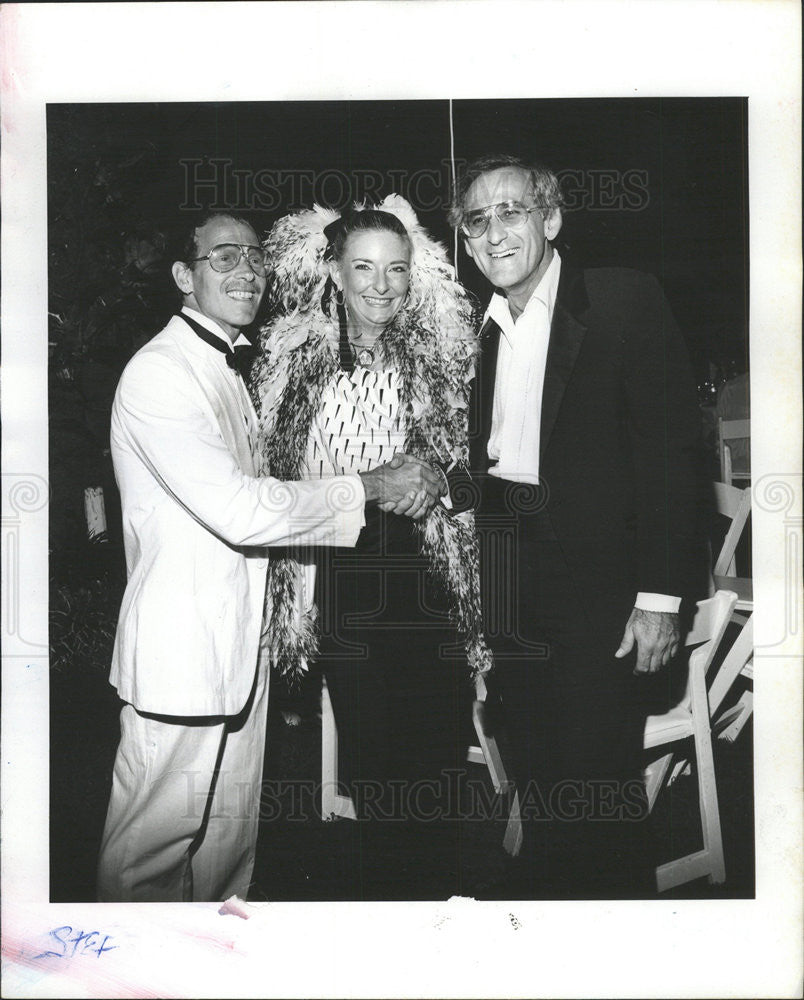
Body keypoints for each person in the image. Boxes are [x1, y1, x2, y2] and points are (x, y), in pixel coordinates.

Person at [97, 209, 442, 903]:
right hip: (187, 651)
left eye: (254, 256)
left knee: (226, 845)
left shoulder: (229, 366)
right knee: (149, 857)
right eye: (223, 257)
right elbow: (241, 507)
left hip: (245, 644)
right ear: (181, 276)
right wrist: (377, 483)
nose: (247, 270)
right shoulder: (162, 374)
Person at [450, 154, 702, 898]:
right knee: (536, 770)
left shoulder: (621, 299)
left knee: (598, 789)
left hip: (603, 592)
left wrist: (662, 594)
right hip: (516, 589)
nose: (495, 233)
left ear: (552, 219)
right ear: (465, 242)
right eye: (478, 220)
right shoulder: (486, 330)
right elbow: (503, 460)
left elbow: (669, 451)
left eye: (513, 211)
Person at [251, 196, 491, 888]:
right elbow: (272, 485)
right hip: (342, 576)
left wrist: (438, 478)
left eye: (395, 269)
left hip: (427, 571)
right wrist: (374, 481)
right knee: (377, 762)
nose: (381, 285)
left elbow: (480, 481)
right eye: (363, 267)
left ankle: (439, 897)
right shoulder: (290, 362)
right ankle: (393, 906)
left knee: (438, 754)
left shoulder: (443, 358)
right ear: (333, 269)